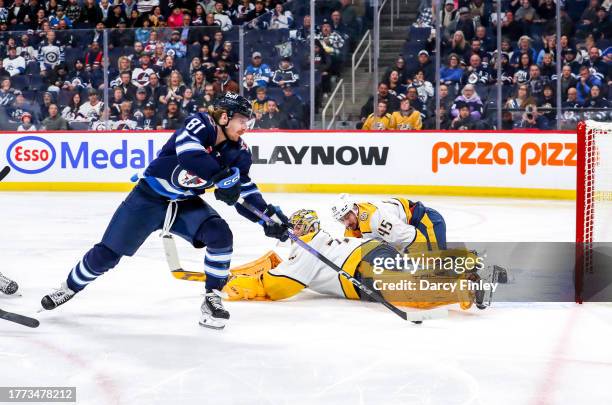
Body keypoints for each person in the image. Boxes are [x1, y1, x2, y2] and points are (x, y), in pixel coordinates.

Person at [40, 92, 290, 330]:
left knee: (220, 235)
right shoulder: (199, 123)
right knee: (107, 254)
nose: (246, 126)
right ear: (224, 117)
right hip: (148, 198)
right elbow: (190, 156)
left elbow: (245, 193)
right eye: (242, 120)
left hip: (184, 203)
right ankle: (69, 287)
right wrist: (221, 178)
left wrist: (267, 218)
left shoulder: (239, 153)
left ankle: (212, 297)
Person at [222, 210, 489, 310]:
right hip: (370, 254)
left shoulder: (308, 247)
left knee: (409, 292)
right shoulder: (317, 240)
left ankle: (464, 287)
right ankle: (463, 262)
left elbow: (281, 286)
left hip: (363, 266)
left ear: (306, 228)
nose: (293, 232)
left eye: (296, 227)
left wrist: (241, 283)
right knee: (413, 275)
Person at [332, 193, 447, 252]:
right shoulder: (351, 227)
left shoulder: (375, 219)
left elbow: (414, 239)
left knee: (436, 263)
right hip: (407, 230)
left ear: (355, 210)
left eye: (347, 216)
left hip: (426, 222)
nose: (346, 223)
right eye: (342, 220)